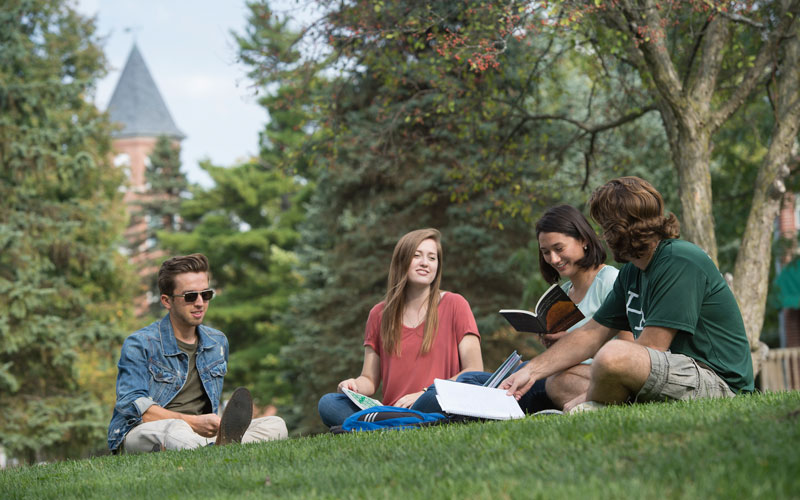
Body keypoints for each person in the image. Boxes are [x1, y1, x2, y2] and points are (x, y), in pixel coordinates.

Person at [501, 177, 754, 412]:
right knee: (558, 382)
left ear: (624, 227)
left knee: (613, 355)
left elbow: (651, 349)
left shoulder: (679, 260)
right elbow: (590, 334)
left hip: (717, 383)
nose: (603, 236)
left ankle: (596, 408)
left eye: (606, 227)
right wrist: (531, 371)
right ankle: (608, 406)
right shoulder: (630, 274)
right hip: (668, 376)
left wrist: (586, 397)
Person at [107, 254, 288, 453]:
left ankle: (212, 448)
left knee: (275, 425)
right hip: (147, 431)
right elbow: (134, 410)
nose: (200, 303)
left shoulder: (217, 342)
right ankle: (215, 449)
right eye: (190, 296)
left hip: (200, 435)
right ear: (167, 301)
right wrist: (193, 422)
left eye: (206, 294)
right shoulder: (139, 343)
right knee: (175, 430)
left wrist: (210, 426)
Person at [459, 205, 631, 412]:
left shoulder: (609, 281)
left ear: (584, 240)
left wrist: (571, 344)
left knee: (488, 388)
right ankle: (422, 411)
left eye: (559, 249)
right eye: (546, 252)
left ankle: (433, 414)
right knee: (468, 377)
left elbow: (626, 352)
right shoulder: (565, 292)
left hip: (584, 376)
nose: (553, 259)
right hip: (559, 371)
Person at [317, 228, 483, 428]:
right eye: (417, 256)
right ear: (401, 261)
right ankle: (398, 423)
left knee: (433, 399)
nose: (425, 263)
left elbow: (474, 370)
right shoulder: (378, 315)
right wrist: (354, 386)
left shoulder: (456, 304)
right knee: (329, 403)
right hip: (392, 409)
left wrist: (423, 392)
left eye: (432, 258)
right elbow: (369, 379)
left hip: (435, 402)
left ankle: (385, 426)